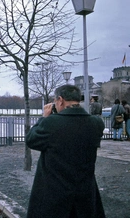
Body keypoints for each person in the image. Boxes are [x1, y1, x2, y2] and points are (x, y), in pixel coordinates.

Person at [26, 85, 105, 218]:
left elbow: (31, 140)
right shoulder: (96, 123)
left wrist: (44, 118)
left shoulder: (51, 123)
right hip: (85, 192)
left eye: (55, 101)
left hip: (54, 193)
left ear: (60, 100)